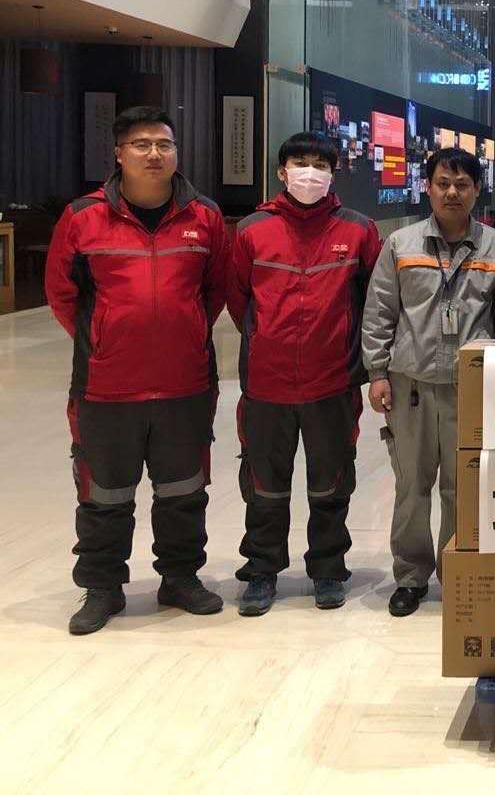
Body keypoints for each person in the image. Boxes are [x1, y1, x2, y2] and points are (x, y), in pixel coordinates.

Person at [45, 105, 230, 634]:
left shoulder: (205, 217)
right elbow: (62, 293)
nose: (154, 154)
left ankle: (180, 578)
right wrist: (104, 340)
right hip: (106, 386)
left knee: (183, 490)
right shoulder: (83, 217)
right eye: (142, 144)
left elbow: (216, 290)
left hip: (185, 382)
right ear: (119, 154)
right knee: (103, 494)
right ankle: (102, 587)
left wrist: (182, 331)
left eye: (164, 144)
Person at [362, 147, 495, 617]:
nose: (452, 192)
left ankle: (457, 572)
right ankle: (410, 576)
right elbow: (380, 312)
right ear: (427, 187)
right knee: (412, 485)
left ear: (477, 190)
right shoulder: (401, 244)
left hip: (473, 389)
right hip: (409, 384)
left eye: (462, 184)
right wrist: (377, 373)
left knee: (462, 486)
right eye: (443, 183)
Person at [227, 132, 382, 616]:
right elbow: (236, 299)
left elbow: (374, 302)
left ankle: (328, 569)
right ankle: (261, 570)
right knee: (264, 486)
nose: (309, 173)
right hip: (266, 385)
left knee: (331, 484)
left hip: (332, 382)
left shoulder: (358, 230)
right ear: (282, 171)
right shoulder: (252, 230)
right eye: (300, 163)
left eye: (320, 165)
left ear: (334, 174)